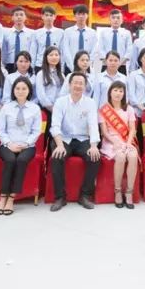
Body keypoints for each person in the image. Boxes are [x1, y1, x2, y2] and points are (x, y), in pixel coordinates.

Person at [49, 72, 102, 211]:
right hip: (64, 139)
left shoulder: (90, 103)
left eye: (81, 83)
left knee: (95, 157)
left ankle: (85, 195)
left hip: (82, 138)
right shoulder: (60, 102)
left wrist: (94, 146)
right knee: (57, 157)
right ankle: (60, 197)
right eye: (75, 83)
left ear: (85, 86)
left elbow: (93, 125)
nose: (78, 86)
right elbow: (55, 126)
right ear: (69, 85)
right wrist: (59, 145)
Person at [0, 76, 42, 215]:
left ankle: (11, 198)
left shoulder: (35, 108)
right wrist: (9, 144)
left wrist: (25, 144)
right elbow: (0, 130)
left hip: (28, 146)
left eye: (24, 88)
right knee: (10, 160)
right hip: (7, 144)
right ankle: (2, 197)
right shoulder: (7, 108)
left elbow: (36, 131)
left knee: (21, 160)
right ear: (13, 90)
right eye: (17, 88)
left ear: (29, 91)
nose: (20, 91)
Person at [98, 80, 138, 209]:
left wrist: (128, 143)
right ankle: (118, 191)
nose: (118, 93)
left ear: (124, 94)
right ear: (110, 92)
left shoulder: (129, 109)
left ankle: (129, 192)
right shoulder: (104, 110)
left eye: (121, 91)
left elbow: (132, 129)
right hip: (111, 142)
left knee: (133, 156)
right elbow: (104, 132)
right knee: (120, 156)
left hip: (127, 140)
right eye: (115, 90)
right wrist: (116, 142)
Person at [95, 8, 132, 73]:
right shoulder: (103, 33)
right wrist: (108, 62)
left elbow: (129, 50)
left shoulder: (126, 33)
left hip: (121, 64)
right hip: (106, 64)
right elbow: (100, 49)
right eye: (113, 18)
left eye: (118, 18)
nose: (116, 20)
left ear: (122, 20)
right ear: (109, 20)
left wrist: (119, 62)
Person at [33, 46, 65, 115]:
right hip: (46, 108)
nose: (54, 57)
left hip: (59, 108)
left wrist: (59, 107)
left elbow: (64, 92)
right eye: (51, 55)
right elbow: (41, 95)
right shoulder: (41, 74)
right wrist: (51, 108)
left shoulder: (62, 74)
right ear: (46, 57)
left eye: (56, 55)